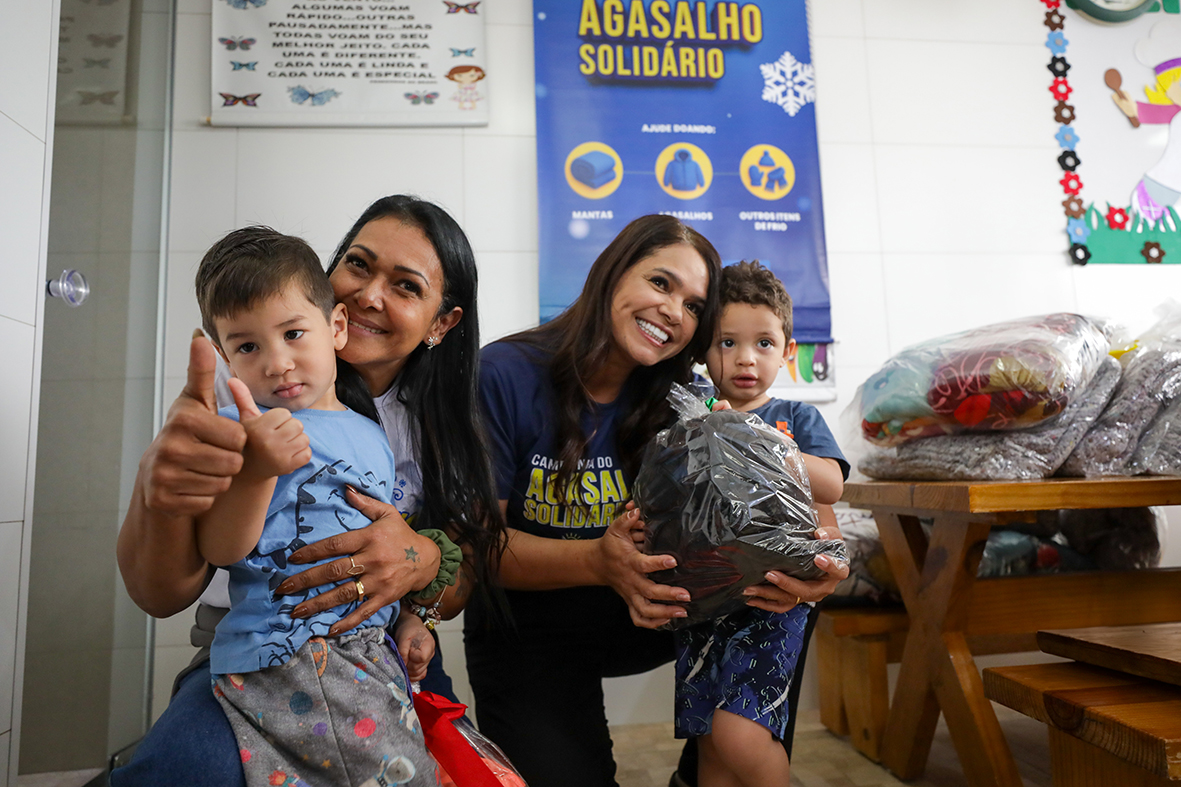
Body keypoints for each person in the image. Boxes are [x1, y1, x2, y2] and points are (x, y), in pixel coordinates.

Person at [113, 195, 502, 785]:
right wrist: (160, 491)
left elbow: (460, 569)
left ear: (442, 323)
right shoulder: (249, 394)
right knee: (181, 768)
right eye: (359, 265)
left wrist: (420, 567)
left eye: (406, 286)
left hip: (379, 644)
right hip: (261, 641)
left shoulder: (439, 424)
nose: (370, 293)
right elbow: (168, 585)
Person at [466, 216, 850, 787]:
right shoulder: (503, 374)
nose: (674, 311)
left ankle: (713, 772)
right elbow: (477, 550)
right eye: (660, 283)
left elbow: (796, 512)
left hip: (648, 611)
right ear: (612, 272)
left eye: (695, 306)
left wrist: (828, 566)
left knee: (779, 598)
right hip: (532, 627)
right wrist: (599, 560)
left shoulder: (691, 402)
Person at [679, 260, 849, 787]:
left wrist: (761, 448)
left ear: (788, 352)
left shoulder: (795, 420)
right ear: (704, 351)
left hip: (771, 602)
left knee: (740, 733)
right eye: (727, 343)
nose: (745, 359)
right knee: (710, 742)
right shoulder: (693, 419)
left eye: (764, 343)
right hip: (704, 606)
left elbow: (832, 486)